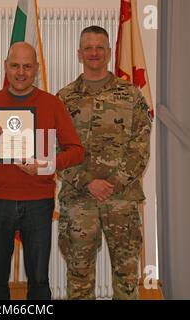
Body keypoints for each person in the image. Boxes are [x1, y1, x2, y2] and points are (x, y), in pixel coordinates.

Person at [0, 42, 84, 300]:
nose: (21, 72)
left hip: (39, 203)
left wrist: (47, 165)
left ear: (37, 70)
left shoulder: (52, 103)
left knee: (39, 280)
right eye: (15, 65)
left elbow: (76, 150)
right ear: (5, 67)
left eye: (27, 66)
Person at [56, 26, 152, 300]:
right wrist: (88, 183)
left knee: (127, 278)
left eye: (100, 47)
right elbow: (55, 149)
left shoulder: (131, 94)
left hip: (121, 198)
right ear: (79, 53)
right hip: (79, 201)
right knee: (79, 277)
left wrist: (114, 182)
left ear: (109, 53)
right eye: (88, 47)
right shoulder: (63, 98)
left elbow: (141, 144)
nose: (94, 53)